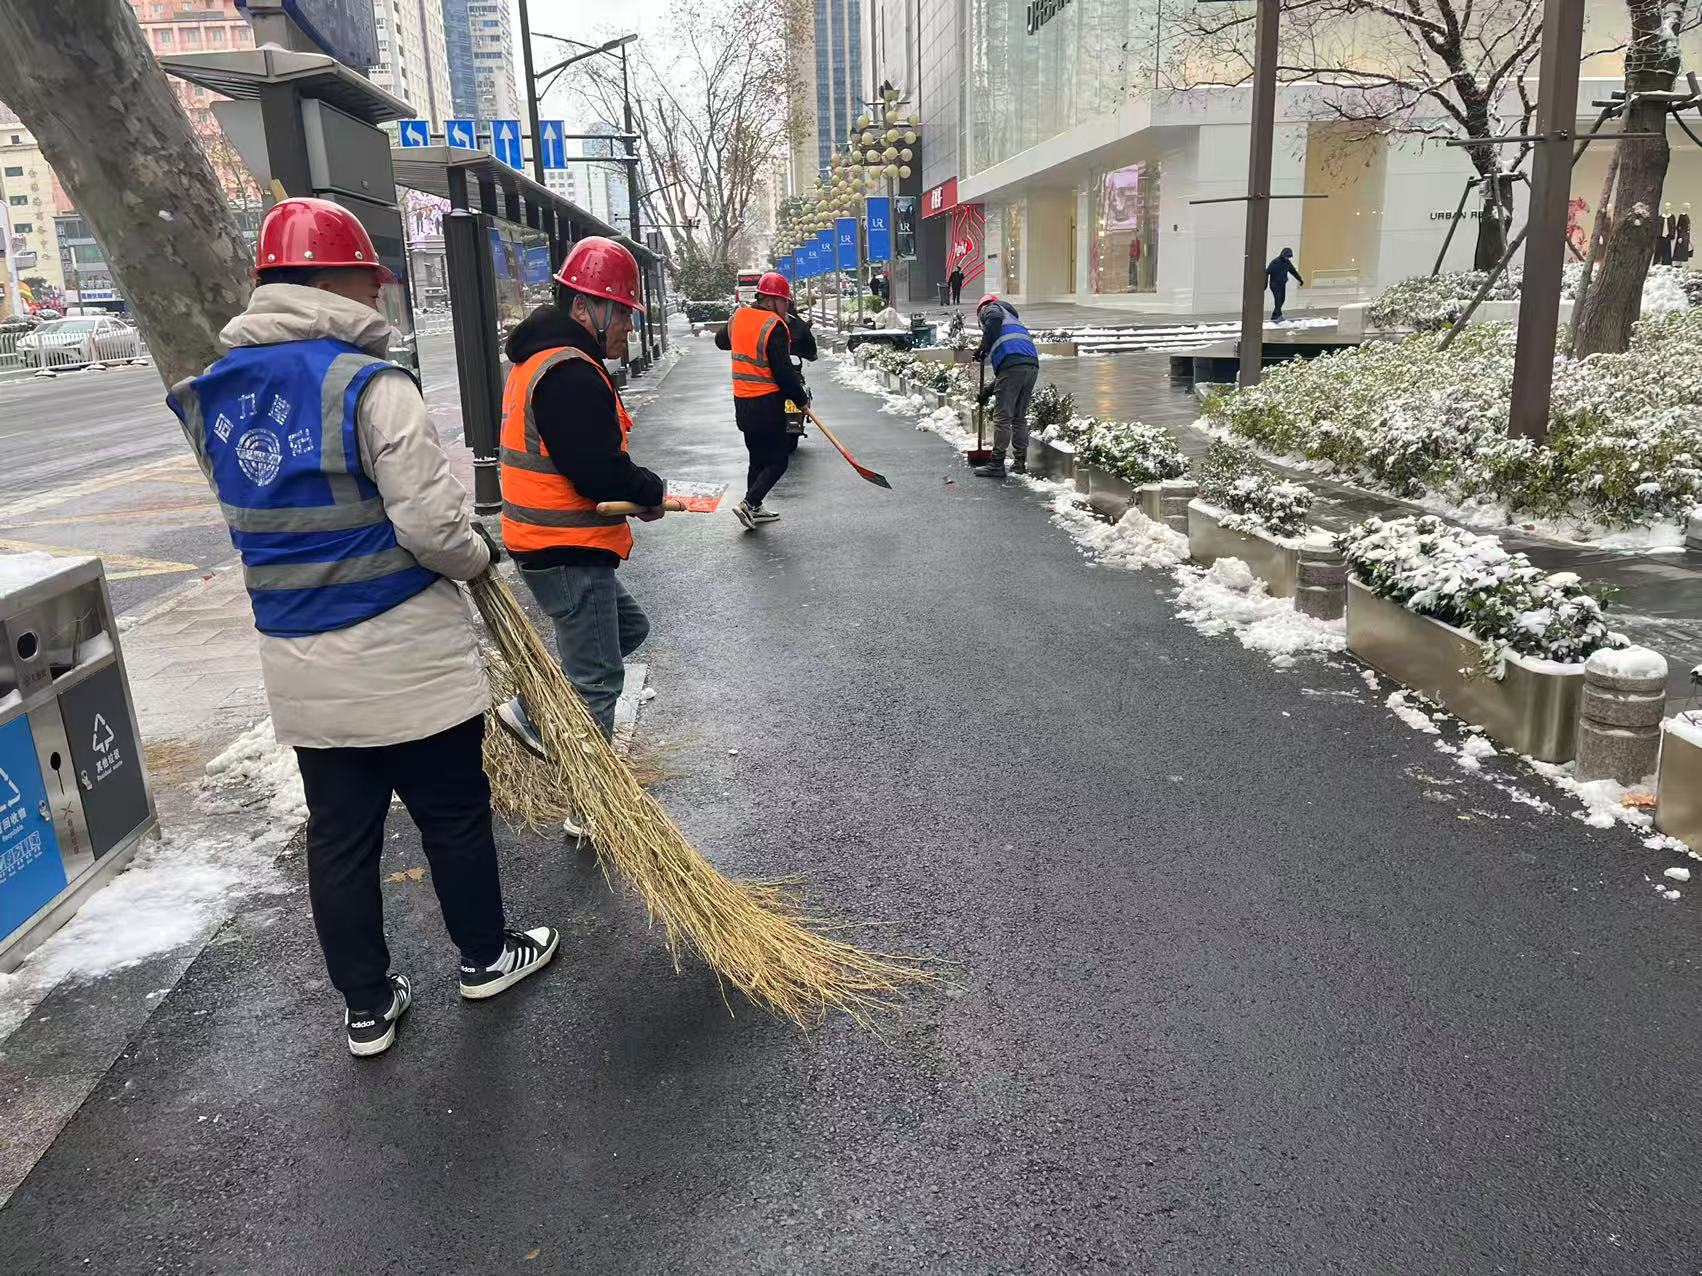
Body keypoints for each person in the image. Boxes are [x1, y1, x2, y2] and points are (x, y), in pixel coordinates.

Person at [167, 197, 558, 1058]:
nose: (379, 293)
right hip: (403, 651)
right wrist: (479, 557)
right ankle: (485, 959)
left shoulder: (211, 393)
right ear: (330, 279)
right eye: (368, 278)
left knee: (340, 838)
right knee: (452, 815)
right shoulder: (370, 386)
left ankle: (368, 1009)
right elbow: (434, 530)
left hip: (298, 657)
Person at [500, 236, 669, 752]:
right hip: (566, 548)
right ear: (583, 307)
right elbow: (596, 470)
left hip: (549, 542)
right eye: (622, 312)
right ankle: (588, 789)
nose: (628, 326)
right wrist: (650, 490)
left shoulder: (547, 361)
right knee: (599, 681)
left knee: (628, 629)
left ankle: (534, 708)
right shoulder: (568, 372)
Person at [714, 270, 812, 530]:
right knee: (778, 460)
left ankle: (754, 508)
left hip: (742, 403)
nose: (786, 308)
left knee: (757, 457)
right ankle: (750, 503)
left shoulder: (739, 317)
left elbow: (720, 341)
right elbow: (783, 371)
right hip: (767, 404)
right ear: (771, 300)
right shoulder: (774, 326)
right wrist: (801, 399)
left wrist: (740, 333)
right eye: (784, 302)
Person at [971, 294, 1039, 478]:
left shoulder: (992, 308)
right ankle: (1019, 463)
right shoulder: (1012, 320)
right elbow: (1007, 374)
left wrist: (983, 347)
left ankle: (996, 464)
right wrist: (987, 392)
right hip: (1031, 366)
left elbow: (993, 319)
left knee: (1002, 417)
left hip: (1013, 366)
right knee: (1018, 417)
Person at [1267, 247, 1304, 322]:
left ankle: (1274, 316)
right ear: (1283, 255)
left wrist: (1300, 279)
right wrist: (1264, 284)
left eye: (1289, 257)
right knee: (1278, 300)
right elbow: (1267, 272)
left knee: (1282, 300)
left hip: (1282, 284)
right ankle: (1279, 316)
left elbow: (1293, 272)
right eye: (1286, 256)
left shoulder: (1287, 263)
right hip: (1274, 285)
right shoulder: (1275, 262)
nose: (1287, 258)